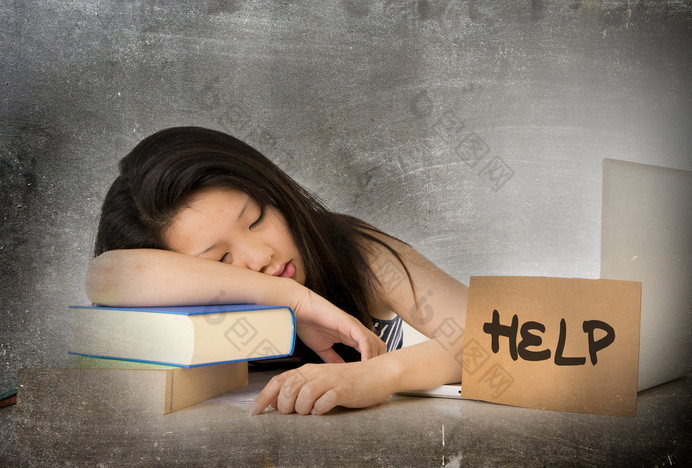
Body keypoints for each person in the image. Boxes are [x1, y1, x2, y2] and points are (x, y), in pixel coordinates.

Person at [86, 126, 469, 415]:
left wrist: (381, 375)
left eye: (255, 220)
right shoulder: (158, 283)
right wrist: (292, 300)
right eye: (220, 261)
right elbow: (105, 275)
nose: (261, 255)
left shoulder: (354, 252)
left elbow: (499, 337)